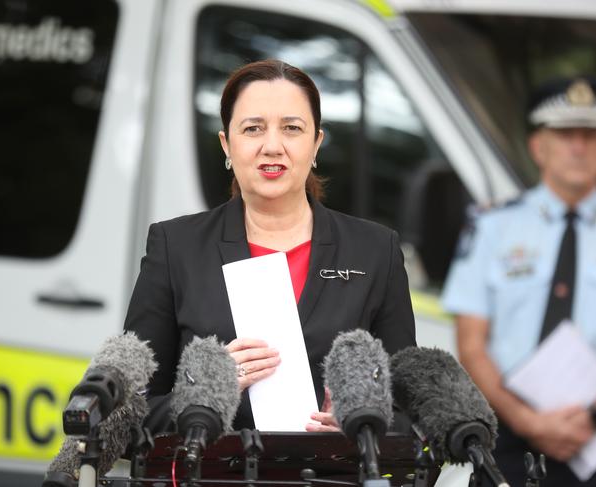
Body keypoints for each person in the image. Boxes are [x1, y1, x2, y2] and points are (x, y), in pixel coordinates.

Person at [123, 59, 416, 433]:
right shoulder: (175, 246)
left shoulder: (376, 251)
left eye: (292, 128)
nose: (272, 146)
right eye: (253, 128)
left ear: (316, 144)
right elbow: (127, 414)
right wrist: (205, 392)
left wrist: (360, 428)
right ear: (227, 144)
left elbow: (409, 412)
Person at [442, 76, 596, 486]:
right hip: (508, 438)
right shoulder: (494, 226)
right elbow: (472, 343)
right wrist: (528, 421)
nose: (579, 147)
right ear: (538, 146)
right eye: (565, 134)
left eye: (590, 135)